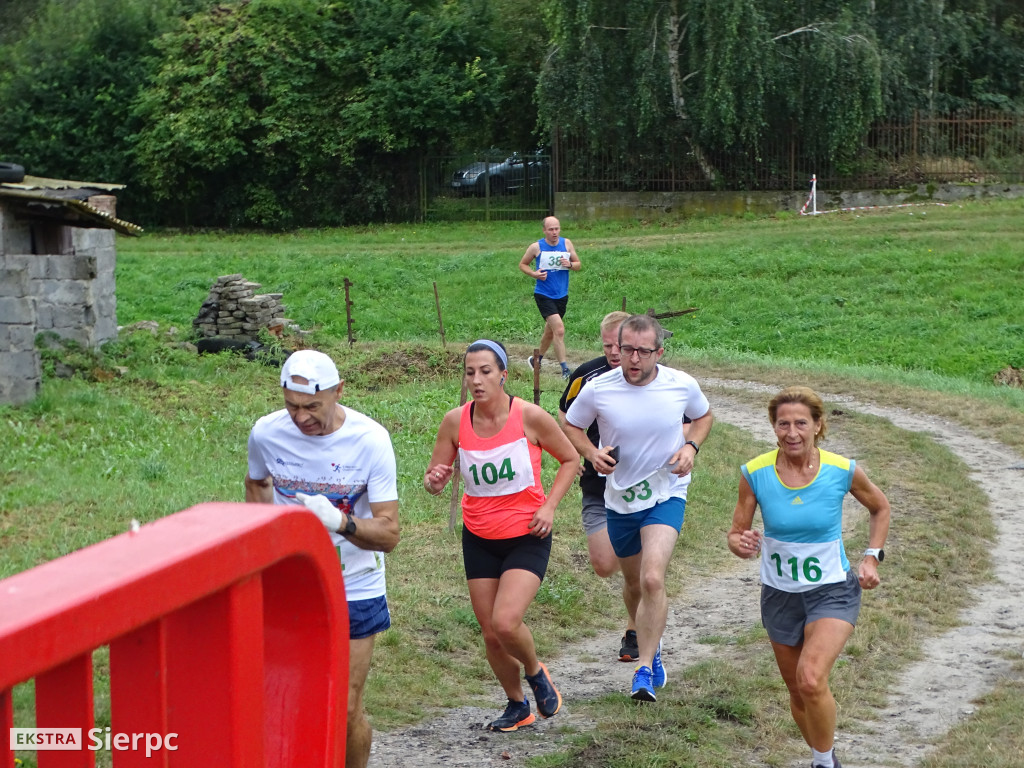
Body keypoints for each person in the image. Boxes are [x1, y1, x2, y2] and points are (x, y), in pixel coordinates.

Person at [244, 349, 400, 768]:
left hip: (354, 586)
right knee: (282, 701)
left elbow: (389, 534)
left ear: (338, 392)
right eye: (291, 406)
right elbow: (256, 483)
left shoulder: (370, 440)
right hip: (289, 588)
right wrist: (263, 547)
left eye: (312, 406)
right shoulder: (266, 433)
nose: (301, 417)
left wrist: (339, 521)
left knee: (345, 708)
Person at [727, 386, 890, 768]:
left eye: (801, 423)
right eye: (783, 424)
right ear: (773, 427)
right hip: (780, 595)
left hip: (832, 591)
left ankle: (821, 763)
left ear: (818, 426)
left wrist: (871, 558)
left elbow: (880, 508)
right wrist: (742, 543)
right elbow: (737, 532)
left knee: (812, 678)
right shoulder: (755, 473)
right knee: (798, 692)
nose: (791, 432)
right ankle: (825, 755)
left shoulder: (841, 470)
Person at [424, 339, 579, 731]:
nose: (477, 380)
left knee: (507, 622)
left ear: (503, 375)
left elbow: (571, 459)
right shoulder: (454, 421)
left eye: (486, 371)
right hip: (479, 537)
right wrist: (436, 479)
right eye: (470, 372)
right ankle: (517, 706)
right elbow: (433, 480)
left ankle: (535, 671)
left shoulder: (529, 416)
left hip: (527, 533)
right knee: (491, 634)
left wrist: (549, 507)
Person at [563, 314, 713, 702]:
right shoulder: (599, 388)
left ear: (658, 352)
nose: (631, 358)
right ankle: (651, 639)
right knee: (633, 585)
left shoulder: (681, 384)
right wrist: (592, 453)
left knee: (652, 579)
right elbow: (571, 425)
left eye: (642, 352)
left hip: (667, 491)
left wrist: (690, 447)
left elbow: (703, 416)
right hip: (620, 497)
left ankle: (644, 669)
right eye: (626, 348)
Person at [557, 310, 642, 661]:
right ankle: (643, 578)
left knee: (640, 571)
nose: (611, 352)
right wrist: (578, 454)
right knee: (605, 564)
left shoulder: (651, 379)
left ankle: (636, 629)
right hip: (597, 482)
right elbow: (564, 416)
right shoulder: (586, 376)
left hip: (640, 485)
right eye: (607, 345)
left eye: (617, 346)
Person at [518, 216, 581, 379]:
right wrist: (534, 274)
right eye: (551, 229)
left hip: (561, 295)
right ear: (544, 230)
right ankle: (565, 370)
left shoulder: (566, 244)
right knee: (559, 329)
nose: (554, 232)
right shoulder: (536, 247)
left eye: (557, 228)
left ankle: (535, 360)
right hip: (544, 294)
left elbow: (578, 264)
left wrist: (571, 265)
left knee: (550, 332)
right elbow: (522, 264)